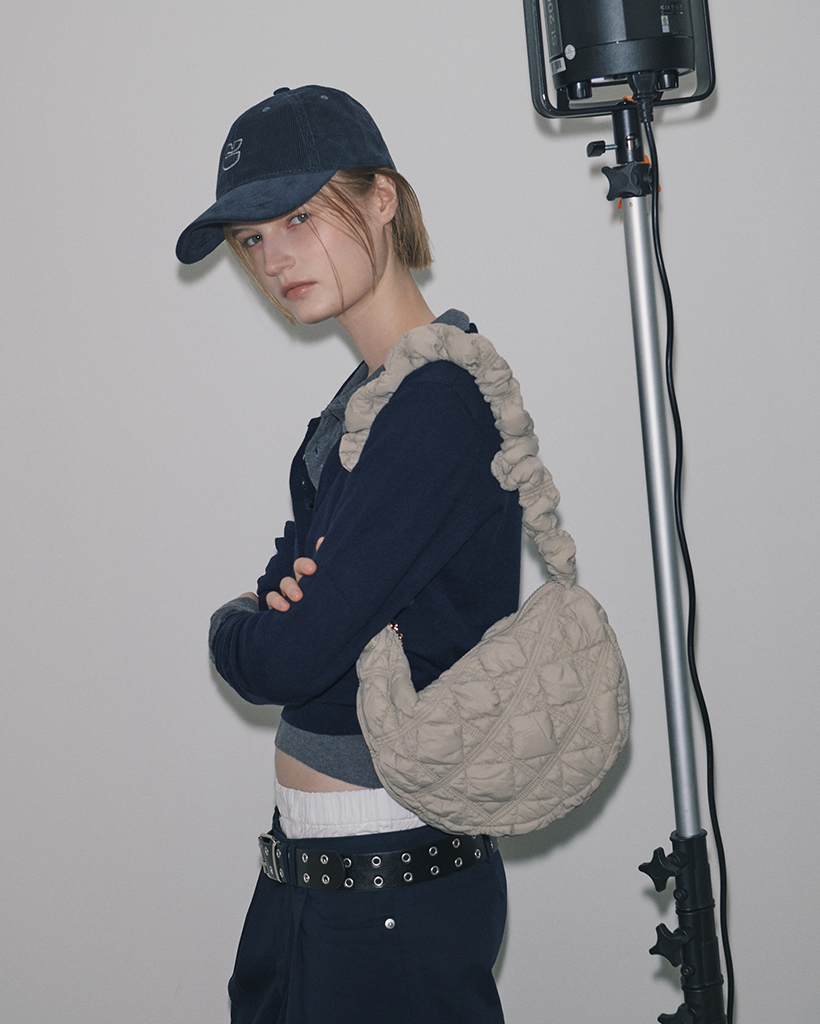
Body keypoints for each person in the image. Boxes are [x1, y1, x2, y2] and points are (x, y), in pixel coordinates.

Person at [176, 85, 522, 1024]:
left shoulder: (437, 402)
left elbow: (286, 655)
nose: (272, 258)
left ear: (383, 199)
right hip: (321, 870)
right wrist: (271, 614)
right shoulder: (360, 404)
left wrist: (228, 628)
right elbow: (286, 592)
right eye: (251, 238)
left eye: (298, 217)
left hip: (389, 883)